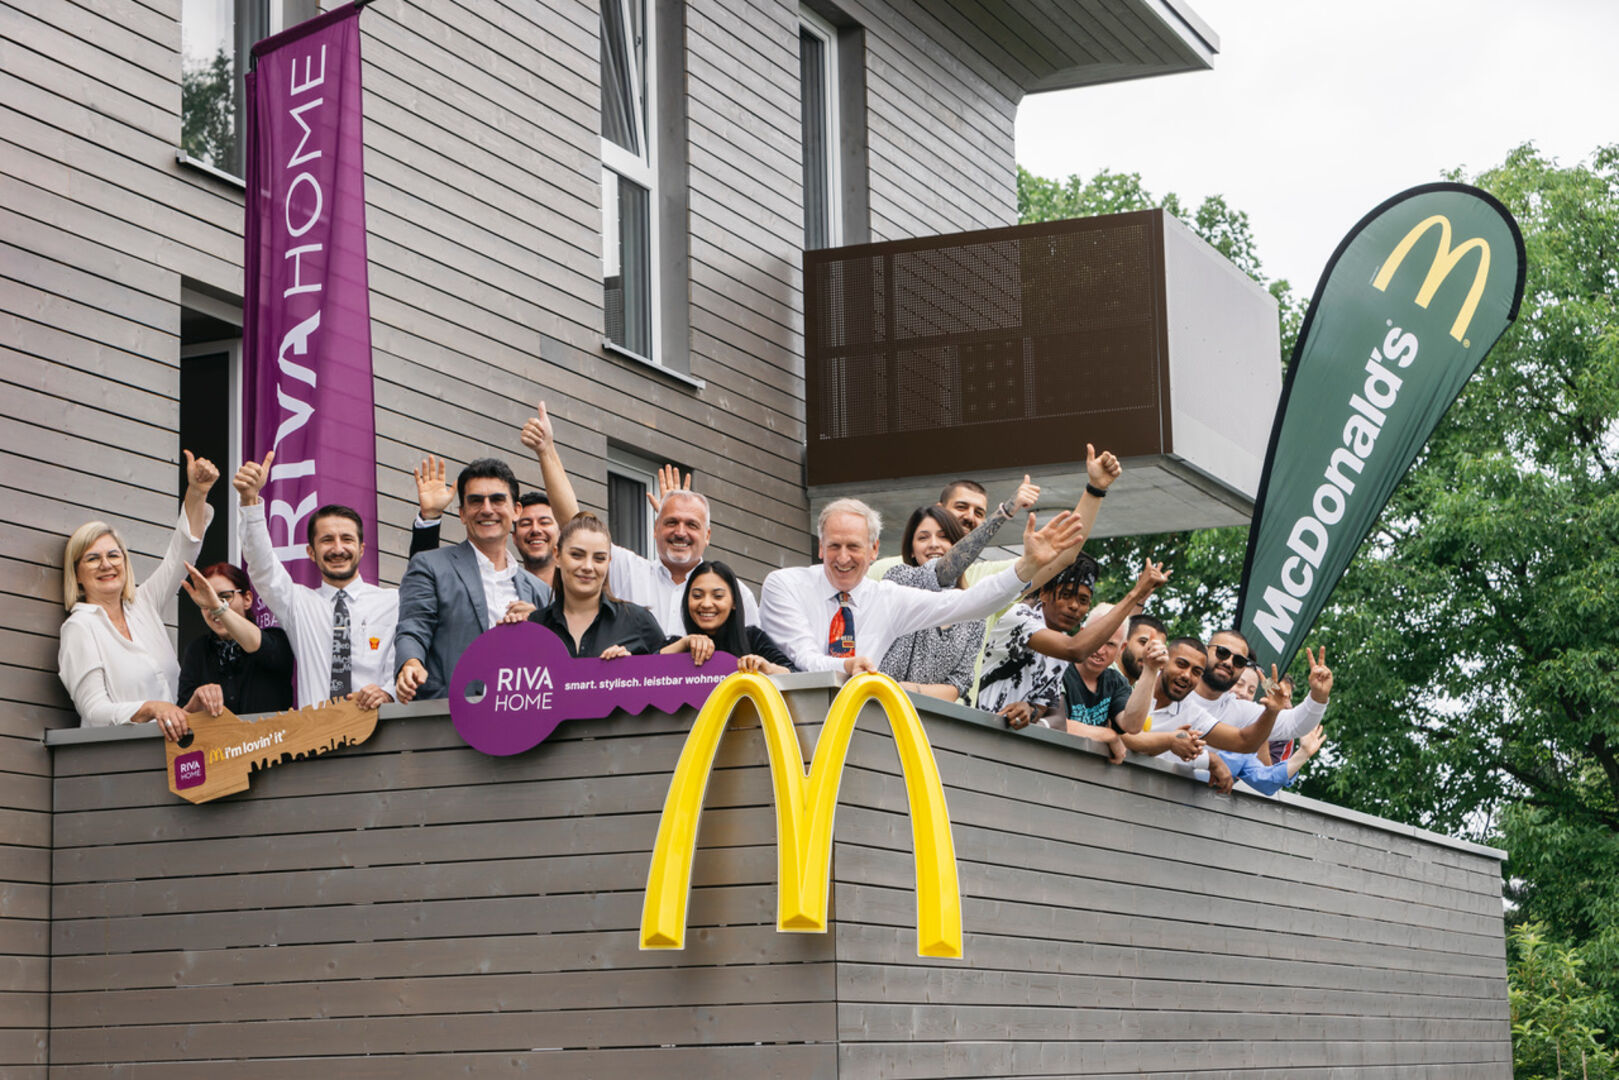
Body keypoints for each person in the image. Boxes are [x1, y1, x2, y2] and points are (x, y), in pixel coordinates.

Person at [759, 498, 1086, 676]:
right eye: (834, 546)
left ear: (873, 550)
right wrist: (846, 665)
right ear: (820, 547)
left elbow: (967, 603)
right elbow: (802, 658)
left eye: (854, 547)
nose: (843, 558)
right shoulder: (785, 584)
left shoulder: (887, 597)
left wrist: (1027, 565)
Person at [57, 452, 218, 740]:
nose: (106, 564)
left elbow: (181, 554)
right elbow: (94, 710)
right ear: (77, 576)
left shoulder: (143, 604)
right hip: (121, 765)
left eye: (114, 555)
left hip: (175, 755)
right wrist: (152, 709)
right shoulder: (80, 628)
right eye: (92, 559)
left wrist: (196, 493)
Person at [236, 451, 399, 711]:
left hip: (380, 735)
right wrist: (249, 500)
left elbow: (411, 660)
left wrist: (389, 693)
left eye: (347, 539)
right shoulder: (298, 603)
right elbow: (261, 566)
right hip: (318, 742)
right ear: (311, 552)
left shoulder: (393, 602)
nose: (337, 548)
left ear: (362, 549)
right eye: (326, 540)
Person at [396, 458, 553, 702]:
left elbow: (556, 662)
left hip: (521, 720)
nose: (487, 509)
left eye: (498, 499)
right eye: (476, 501)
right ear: (462, 513)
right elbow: (413, 626)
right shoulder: (431, 566)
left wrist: (541, 625)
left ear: (516, 511)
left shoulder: (540, 591)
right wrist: (410, 662)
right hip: (451, 719)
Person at [879, 477, 1041, 702]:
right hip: (880, 708)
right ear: (912, 549)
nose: (934, 544)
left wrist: (909, 691)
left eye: (944, 537)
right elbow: (944, 570)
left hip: (934, 722)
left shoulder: (975, 611)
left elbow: (961, 681)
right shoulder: (899, 579)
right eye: (923, 538)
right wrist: (1005, 512)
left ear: (958, 543)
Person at [976, 556, 1169, 729]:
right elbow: (1076, 650)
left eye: (1083, 600)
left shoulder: (1060, 652)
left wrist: (1028, 709)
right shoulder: (1019, 617)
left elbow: (1042, 708)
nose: (1075, 606)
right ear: (1043, 593)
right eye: (1066, 595)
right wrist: (1135, 595)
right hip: (969, 724)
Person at [408, 402, 581, 591]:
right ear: (514, 535)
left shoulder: (579, 592)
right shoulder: (499, 582)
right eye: (525, 524)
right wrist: (430, 518)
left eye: (545, 522)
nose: (535, 530)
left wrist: (546, 450)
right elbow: (425, 580)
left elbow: (575, 524)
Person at [607, 466, 761, 637]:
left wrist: (672, 512)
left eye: (692, 525)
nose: (680, 533)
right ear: (655, 529)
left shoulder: (735, 593)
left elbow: (751, 654)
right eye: (671, 522)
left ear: (707, 535)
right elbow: (575, 528)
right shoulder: (627, 570)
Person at [528, 514, 667, 658]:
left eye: (599, 558)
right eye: (577, 555)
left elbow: (672, 673)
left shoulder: (638, 621)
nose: (588, 566)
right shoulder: (535, 625)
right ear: (557, 556)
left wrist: (630, 670)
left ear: (609, 562)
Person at [175, 562, 295, 717]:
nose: (213, 608)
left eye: (225, 597)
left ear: (247, 599)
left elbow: (257, 644)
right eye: (206, 600)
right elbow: (182, 718)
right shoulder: (197, 650)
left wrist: (219, 608)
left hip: (273, 739)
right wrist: (196, 701)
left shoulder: (277, 639)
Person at [1191, 629, 1332, 750]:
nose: (1228, 663)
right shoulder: (1175, 688)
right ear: (1204, 651)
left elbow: (1295, 724)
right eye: (1222, 652)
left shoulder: (1238, 710)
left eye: (1239, 661)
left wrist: (1318, 695)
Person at [662, 560, 795, 674]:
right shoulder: (678, 644)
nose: (706, 604)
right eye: (697, 596)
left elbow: (794, 674)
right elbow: (646, 674)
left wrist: (768, 668)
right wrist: (685, 643)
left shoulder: (753, 639)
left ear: (734, 602)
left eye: (718, 596)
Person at [1118, 613, 1168, 682]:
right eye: (1143, 642)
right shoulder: (1101, 674)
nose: (1151, 651)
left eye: (1157, 647)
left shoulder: (1138, 690)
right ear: (1124, 641)